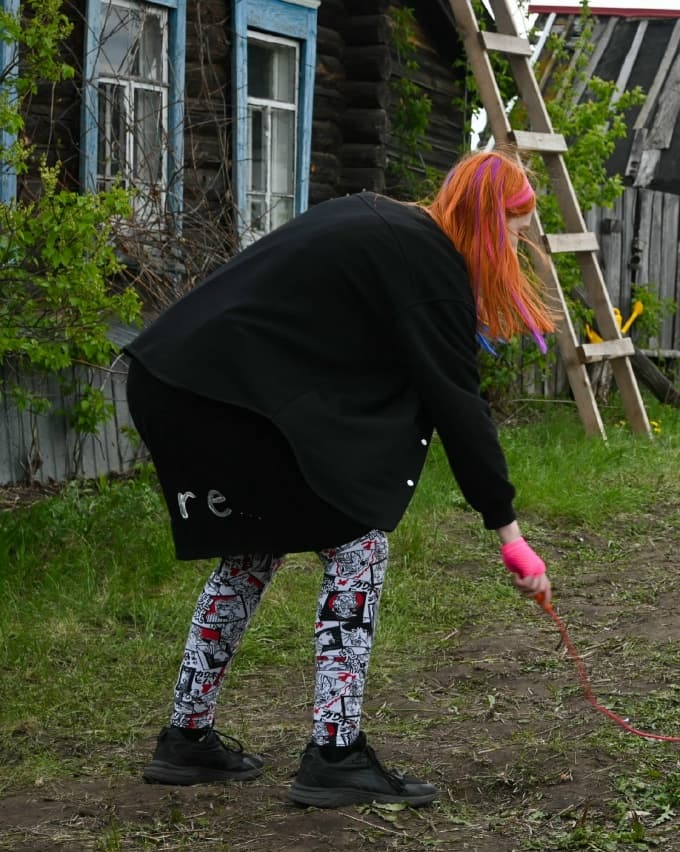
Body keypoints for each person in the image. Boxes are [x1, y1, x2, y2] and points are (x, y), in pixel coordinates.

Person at [126, 149, 555, 807]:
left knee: (252, 552)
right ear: (494, 222)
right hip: (212, 388)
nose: (520, 244)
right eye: (519, 230)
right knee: (357, 546)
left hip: (184, 379)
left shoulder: (394, 230)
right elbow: (457, 406)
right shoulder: (429, 263)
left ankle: (186, 738)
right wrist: (510, 533)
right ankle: (335, 752)